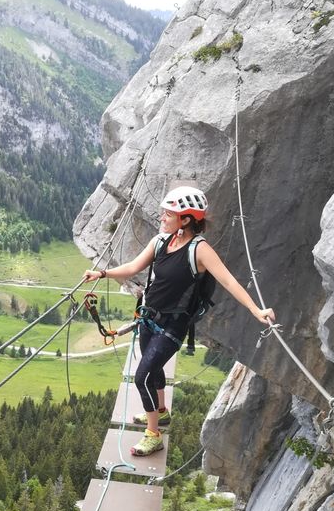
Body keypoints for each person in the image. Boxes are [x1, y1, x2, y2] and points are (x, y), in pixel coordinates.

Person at [83, 186, 275, 456]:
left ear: (186, 219)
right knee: (154, 368)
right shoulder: (161, 241)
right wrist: (101, 273)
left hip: (174, 325)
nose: (162, 216)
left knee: (143, 377)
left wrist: (256, 310)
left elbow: (229, 280)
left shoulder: (200, 251)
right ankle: (160, 412)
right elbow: (133, 267)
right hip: (149, 317)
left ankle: (153, 435)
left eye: (169, 213)